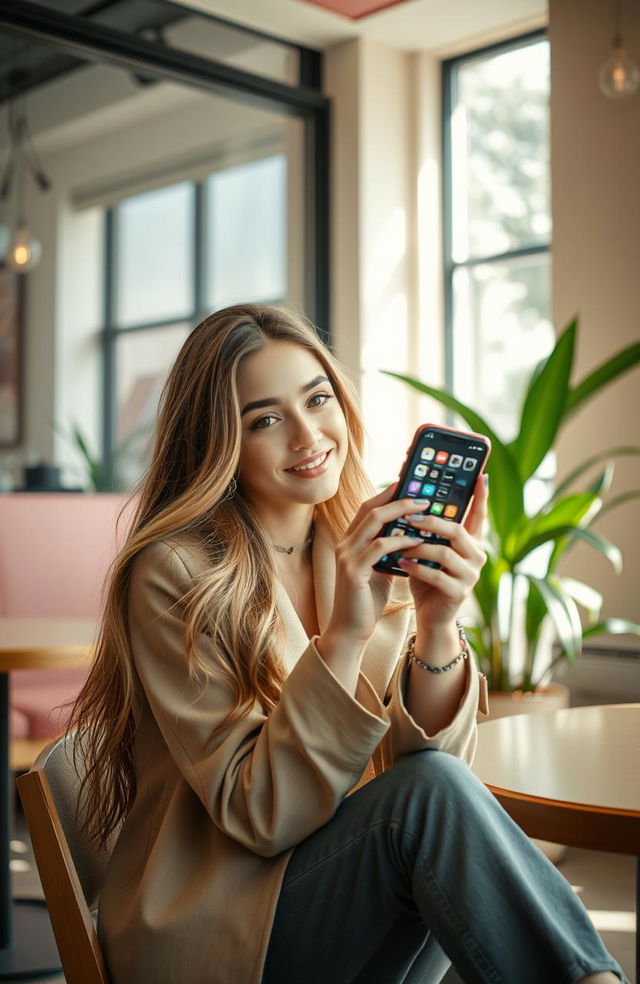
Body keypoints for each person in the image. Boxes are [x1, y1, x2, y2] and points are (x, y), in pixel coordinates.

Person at [69, 303, 627, 984]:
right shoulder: (177, 573)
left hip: (336, 886)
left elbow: (424, 766)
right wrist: (346, 634)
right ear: (219, 442)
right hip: (216, 927)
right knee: (426, 803)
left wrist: (438, 622)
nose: (309, 436)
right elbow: (262, 814)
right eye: (266, 420)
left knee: (432, 793)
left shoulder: (353, 540)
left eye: (318, 399)